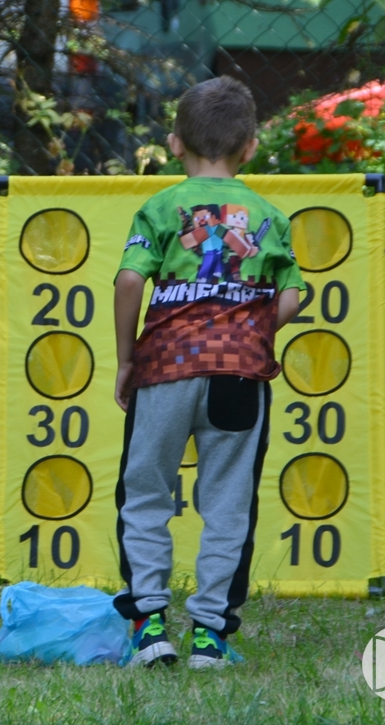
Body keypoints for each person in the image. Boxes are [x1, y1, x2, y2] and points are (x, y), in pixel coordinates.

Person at [111, 76, 305, 669]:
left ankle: (148, 626)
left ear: (174, 144)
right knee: (228, 502)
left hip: (164, 370)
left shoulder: (160, 207)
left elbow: (129, 280)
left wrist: (126, 358)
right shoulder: (270, 215)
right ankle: (210, 637)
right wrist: (253, 332)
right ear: (251, 147)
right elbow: (293, 296)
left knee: (146, 492)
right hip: (239, 375)